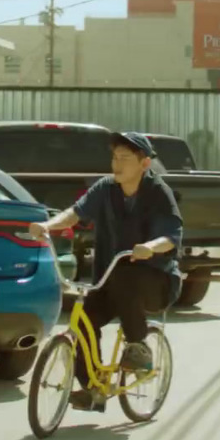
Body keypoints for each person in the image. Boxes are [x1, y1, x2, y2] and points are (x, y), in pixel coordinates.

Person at [28, 131, 183, 411]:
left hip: (155, 281)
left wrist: (150, 246)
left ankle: (139, 348)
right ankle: (92, 387)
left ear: (144, 164)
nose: (117, 164)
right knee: (82, 321)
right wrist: (49, 226)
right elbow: (76, 212)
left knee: (125, 274)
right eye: (114, 157)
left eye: (125, 158)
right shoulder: (105, 189)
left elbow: (171, 235)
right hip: (110, 280)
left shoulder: (158, 193)